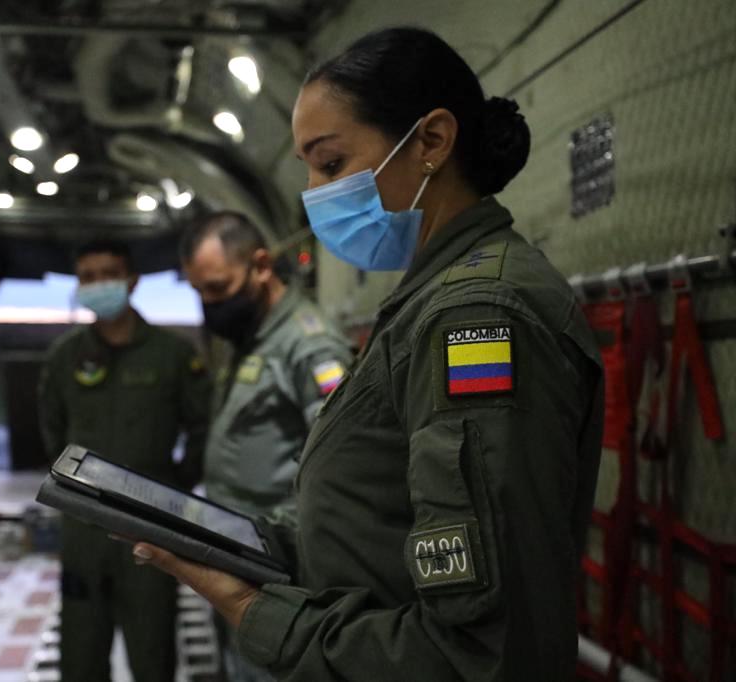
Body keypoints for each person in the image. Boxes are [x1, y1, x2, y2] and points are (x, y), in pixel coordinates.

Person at [132, 27, 605, 681]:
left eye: (330, 164)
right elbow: (383, 521)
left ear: (432, 142)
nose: (314, 192)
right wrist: (256, 543)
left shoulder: (475, 317)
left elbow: (478, 650)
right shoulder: (425, 301)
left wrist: (256, 612)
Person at [180, 211, 353, 681]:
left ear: (260, 265)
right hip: (241, 554)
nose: (209, 305)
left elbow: (341, 472)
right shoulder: (252, 336)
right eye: (198, 293)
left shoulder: (308, 346)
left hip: (281, 569)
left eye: (217, 288)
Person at [37, 239, 211, 682]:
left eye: (108, 274)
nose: (98, 285)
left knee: (153, 652)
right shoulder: (64, 358)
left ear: (131, 280)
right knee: (80, 653)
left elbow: (202, 425)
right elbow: (52, 430)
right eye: (88, 277)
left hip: (149, 527)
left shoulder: (172, 354)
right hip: (83, 530)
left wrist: (175, 485)